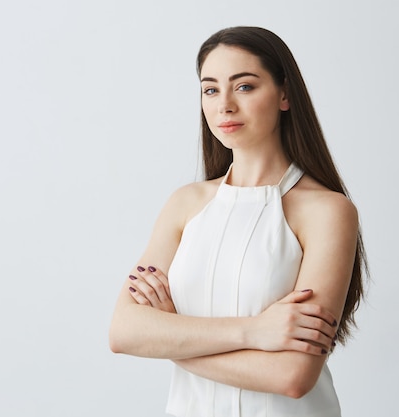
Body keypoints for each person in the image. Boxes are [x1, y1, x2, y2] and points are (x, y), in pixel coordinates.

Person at [109, 26, 367, 417]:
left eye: (244, 86)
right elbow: (123, 331)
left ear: (284, 94)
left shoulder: (327, 212)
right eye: (210, 89)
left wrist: (170, 339)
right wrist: (253, 332)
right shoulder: (186, 204)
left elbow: (292, 376)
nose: (224, 105)